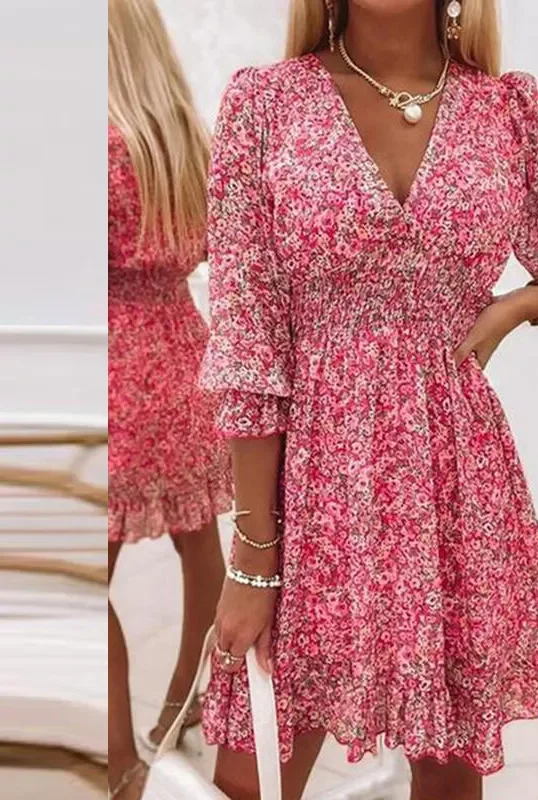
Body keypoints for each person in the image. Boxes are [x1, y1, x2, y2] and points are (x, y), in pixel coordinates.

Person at [200, 1, 538, 798]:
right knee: (251, 771)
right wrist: (254, 560)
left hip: (453, 481)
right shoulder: (266, 103)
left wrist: (529, 301)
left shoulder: (508, 114)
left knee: (450, 768)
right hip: (315, 487)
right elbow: (249, 344)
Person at [107, 0, 232, 796]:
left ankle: (119, 764)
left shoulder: (94, 146)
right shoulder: (189, 138)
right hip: (187, 357)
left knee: (80, 580)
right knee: (200, 544)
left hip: (115, 368)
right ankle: (182, 708)